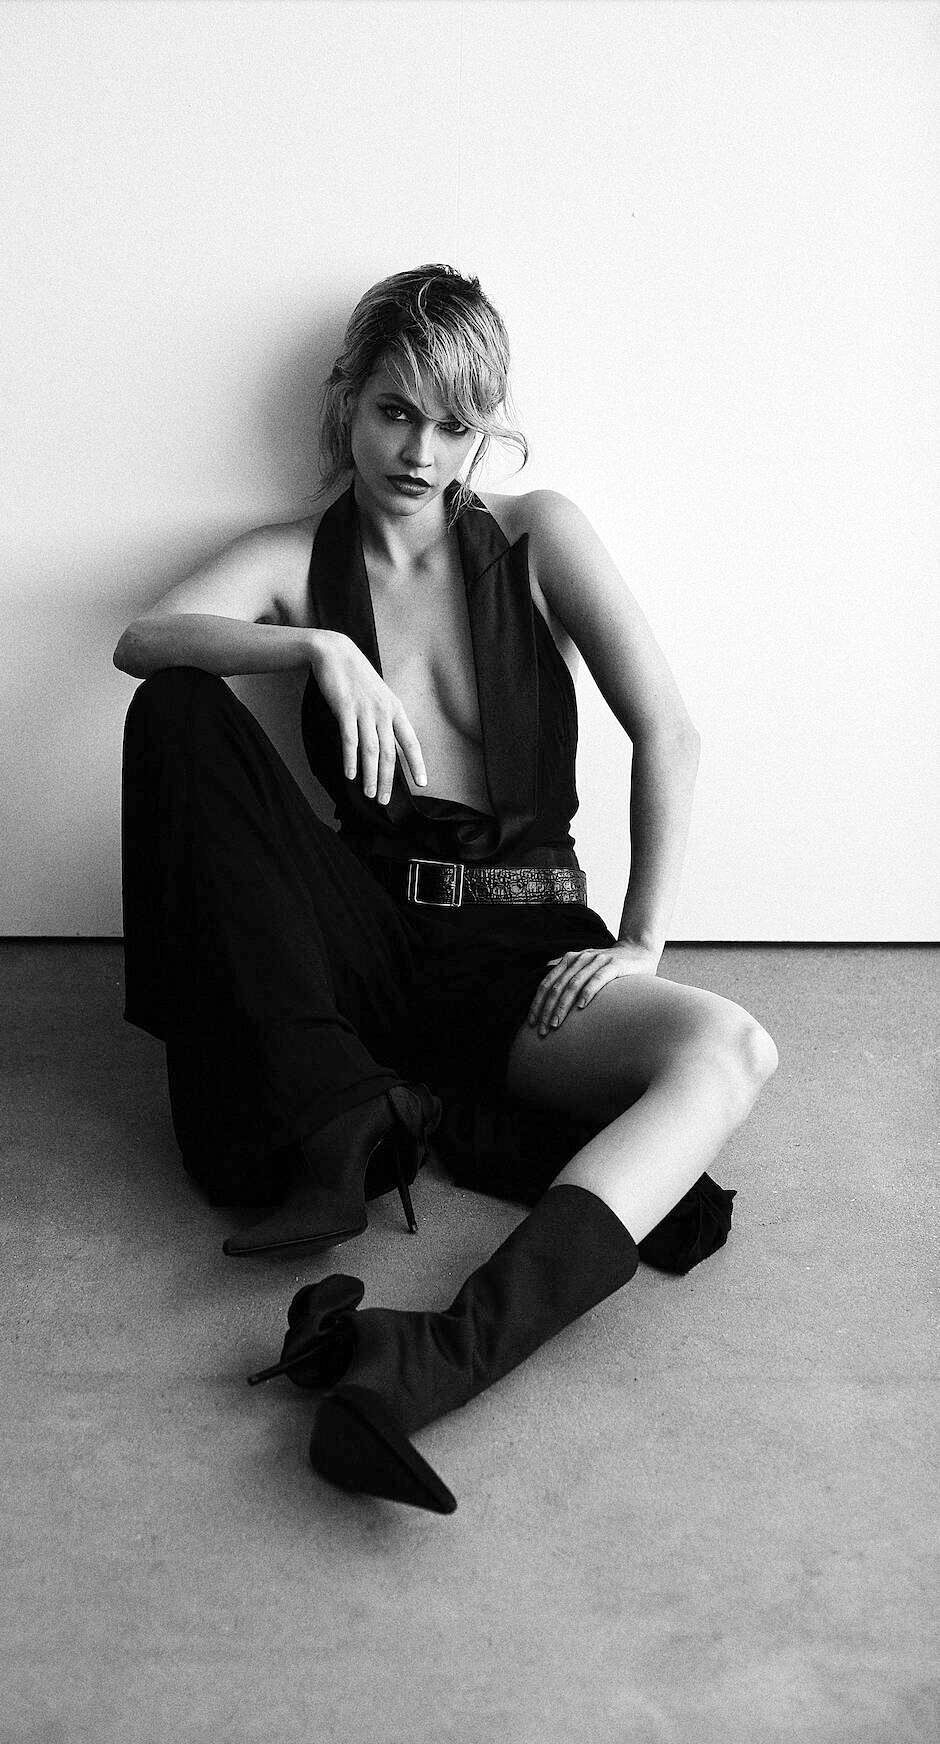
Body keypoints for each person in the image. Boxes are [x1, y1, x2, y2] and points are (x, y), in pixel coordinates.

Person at [114, 265, 778, 1514]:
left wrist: (641, 941)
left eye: (454, 424)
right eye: (394, 412)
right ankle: (347, 1114)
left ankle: (427, 1358)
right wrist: (315, 645)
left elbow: (669, 733)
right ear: (348, 404)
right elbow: (141, 639)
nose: (419, 452)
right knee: (179, 709)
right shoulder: (294, 561)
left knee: (731, 1049)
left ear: (488, 431)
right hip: (363, 937)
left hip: (524, 949)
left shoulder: (536, 534)